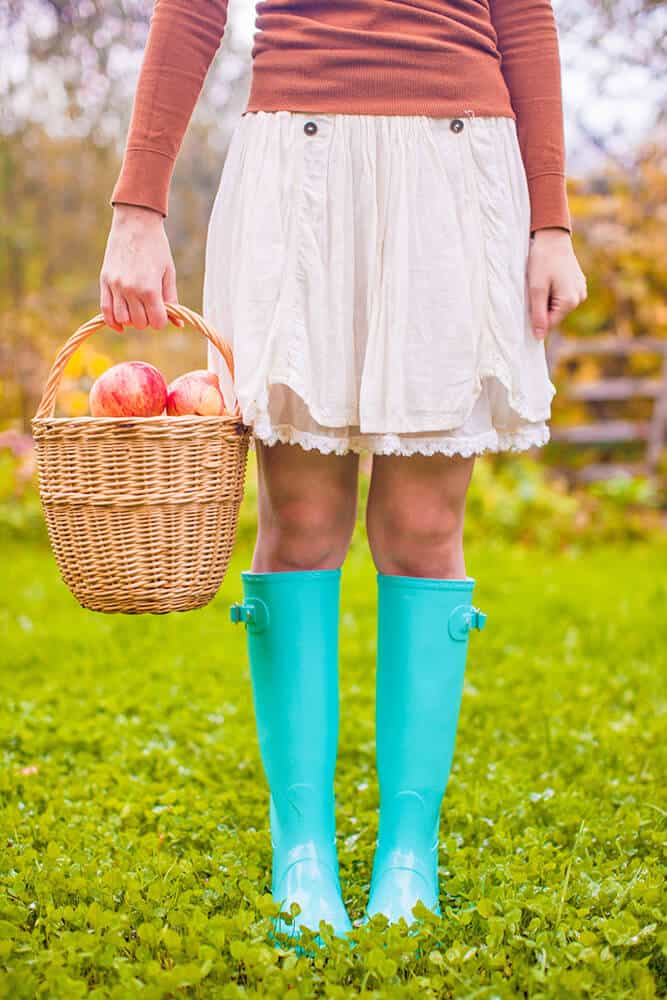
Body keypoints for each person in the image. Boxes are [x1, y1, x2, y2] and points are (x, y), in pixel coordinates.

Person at [101, 0, 587, 942]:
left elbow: (523, 18)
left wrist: (552, 222)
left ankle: (409, 853)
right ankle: (303, 854)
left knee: (420, 529)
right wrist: (137, 205)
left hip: (459, 169)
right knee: (303, 521)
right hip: (298, 164)